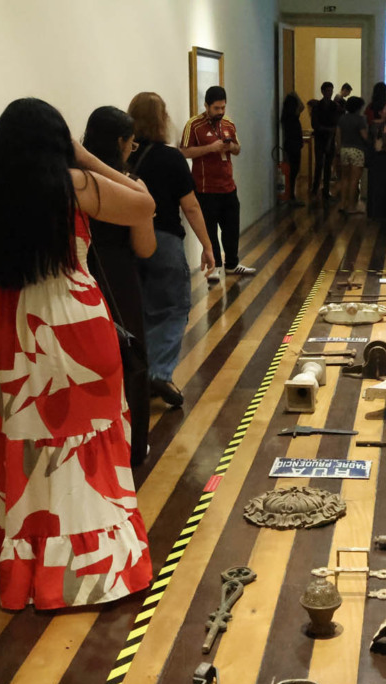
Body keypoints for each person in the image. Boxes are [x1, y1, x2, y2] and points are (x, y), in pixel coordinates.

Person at [0, 97, 154, 611]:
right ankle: (97, 566)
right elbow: (143, 205)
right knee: (90, 444)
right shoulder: (71, 185)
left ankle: (36, 570)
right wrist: (87, 157)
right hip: (76, 321)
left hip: (13, 329)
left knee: (30, 446)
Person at [129, 92, 217, 408]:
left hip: (127, 242)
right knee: (173, 307)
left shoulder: (122, 157)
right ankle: (159, 372)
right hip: (164, 239)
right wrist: (208, 245)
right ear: (161, 119)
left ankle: (138, 376)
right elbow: (190, 206)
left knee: (138, 309)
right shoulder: (171, 158)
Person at [82, 106, 157, 473]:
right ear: (121, 143)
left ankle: (94, 448)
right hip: (118, 278)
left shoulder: (70, 179)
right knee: (130, 359)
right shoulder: (129, 185)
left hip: (78, 274)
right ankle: (133, 446)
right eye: (131, 142)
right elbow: (145, 247)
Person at [179, 86, 257, 281]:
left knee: (231, 229)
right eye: (216, 108)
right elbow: (184, 152)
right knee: (210, 230)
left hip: (228, 187)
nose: (220, 112)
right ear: (206, 106)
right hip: (205, 189)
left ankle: (232, 264)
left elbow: (238, 149)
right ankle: (214, 267)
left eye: (223, 107)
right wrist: (210, 148)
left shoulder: (228, 123)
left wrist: (230, 147)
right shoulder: (193, 125)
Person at [365, 83, 386, 219]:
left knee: (373, 183)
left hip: (372, 151)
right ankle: (384, 212)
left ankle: (372, 211)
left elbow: (368, 126)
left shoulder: (369, 108)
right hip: (385, 152)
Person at [336, 96, 368, 215]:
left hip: (344, 149)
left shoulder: (342, 118)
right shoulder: (360, 119)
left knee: (345, 178)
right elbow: (364, 136)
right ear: (358, 107)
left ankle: (342, 204)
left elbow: (338, 135)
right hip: (357, 151)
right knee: (354, 180)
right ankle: (351, 206)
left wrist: (339, 149)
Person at [308, 82, 340, 200]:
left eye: (331, 91)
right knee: (319, 164)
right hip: (320, 138)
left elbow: (335, 122)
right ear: (322, 91)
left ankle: (325, 189)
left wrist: (328, 130)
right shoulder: (317, 106)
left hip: (328, 138)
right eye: (328, 91)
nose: (330, 93)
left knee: (327, 166)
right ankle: (316, 188)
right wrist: (329, 129)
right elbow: (314, 124)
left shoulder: (334, 106)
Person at [280, 92, 305, 207]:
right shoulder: (293, 116)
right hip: (294, 146)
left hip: (289, 145)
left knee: (291, 172)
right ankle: (291, 196)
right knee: (294, 171)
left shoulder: (286, 117)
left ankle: (289, 195)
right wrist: (295, 94)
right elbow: (302, 106)